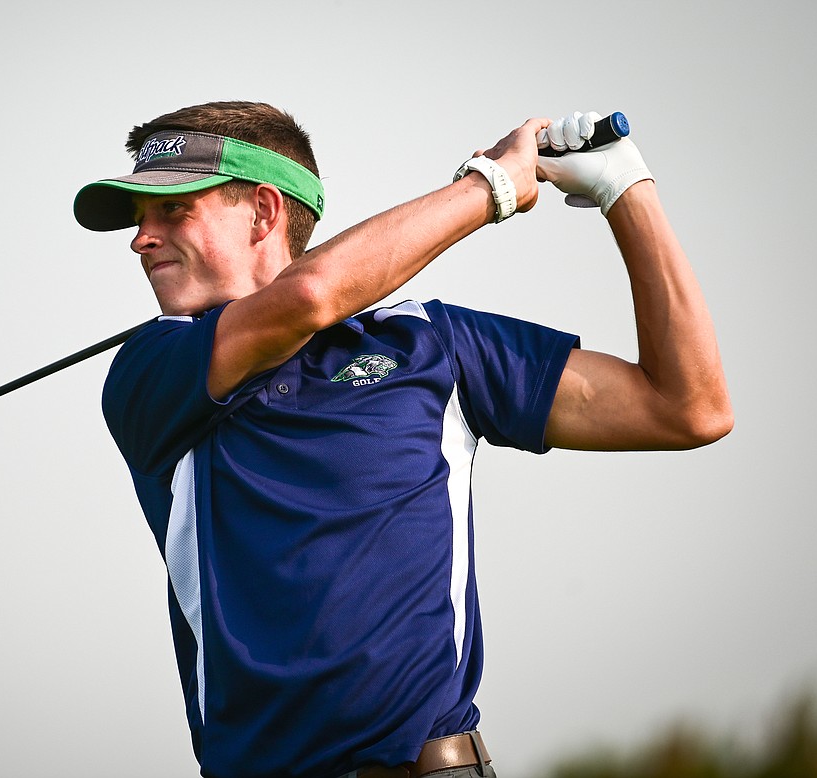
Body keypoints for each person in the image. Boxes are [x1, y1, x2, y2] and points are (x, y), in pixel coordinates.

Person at [72, 101, 732, 778]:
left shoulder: (428, 342)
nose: (140, 239)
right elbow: (308, 298)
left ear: (266, 213)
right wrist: (489, 187)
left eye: (173, 211)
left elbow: (687, 407)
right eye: (139, 219)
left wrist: (627, 190)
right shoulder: (151, 369)